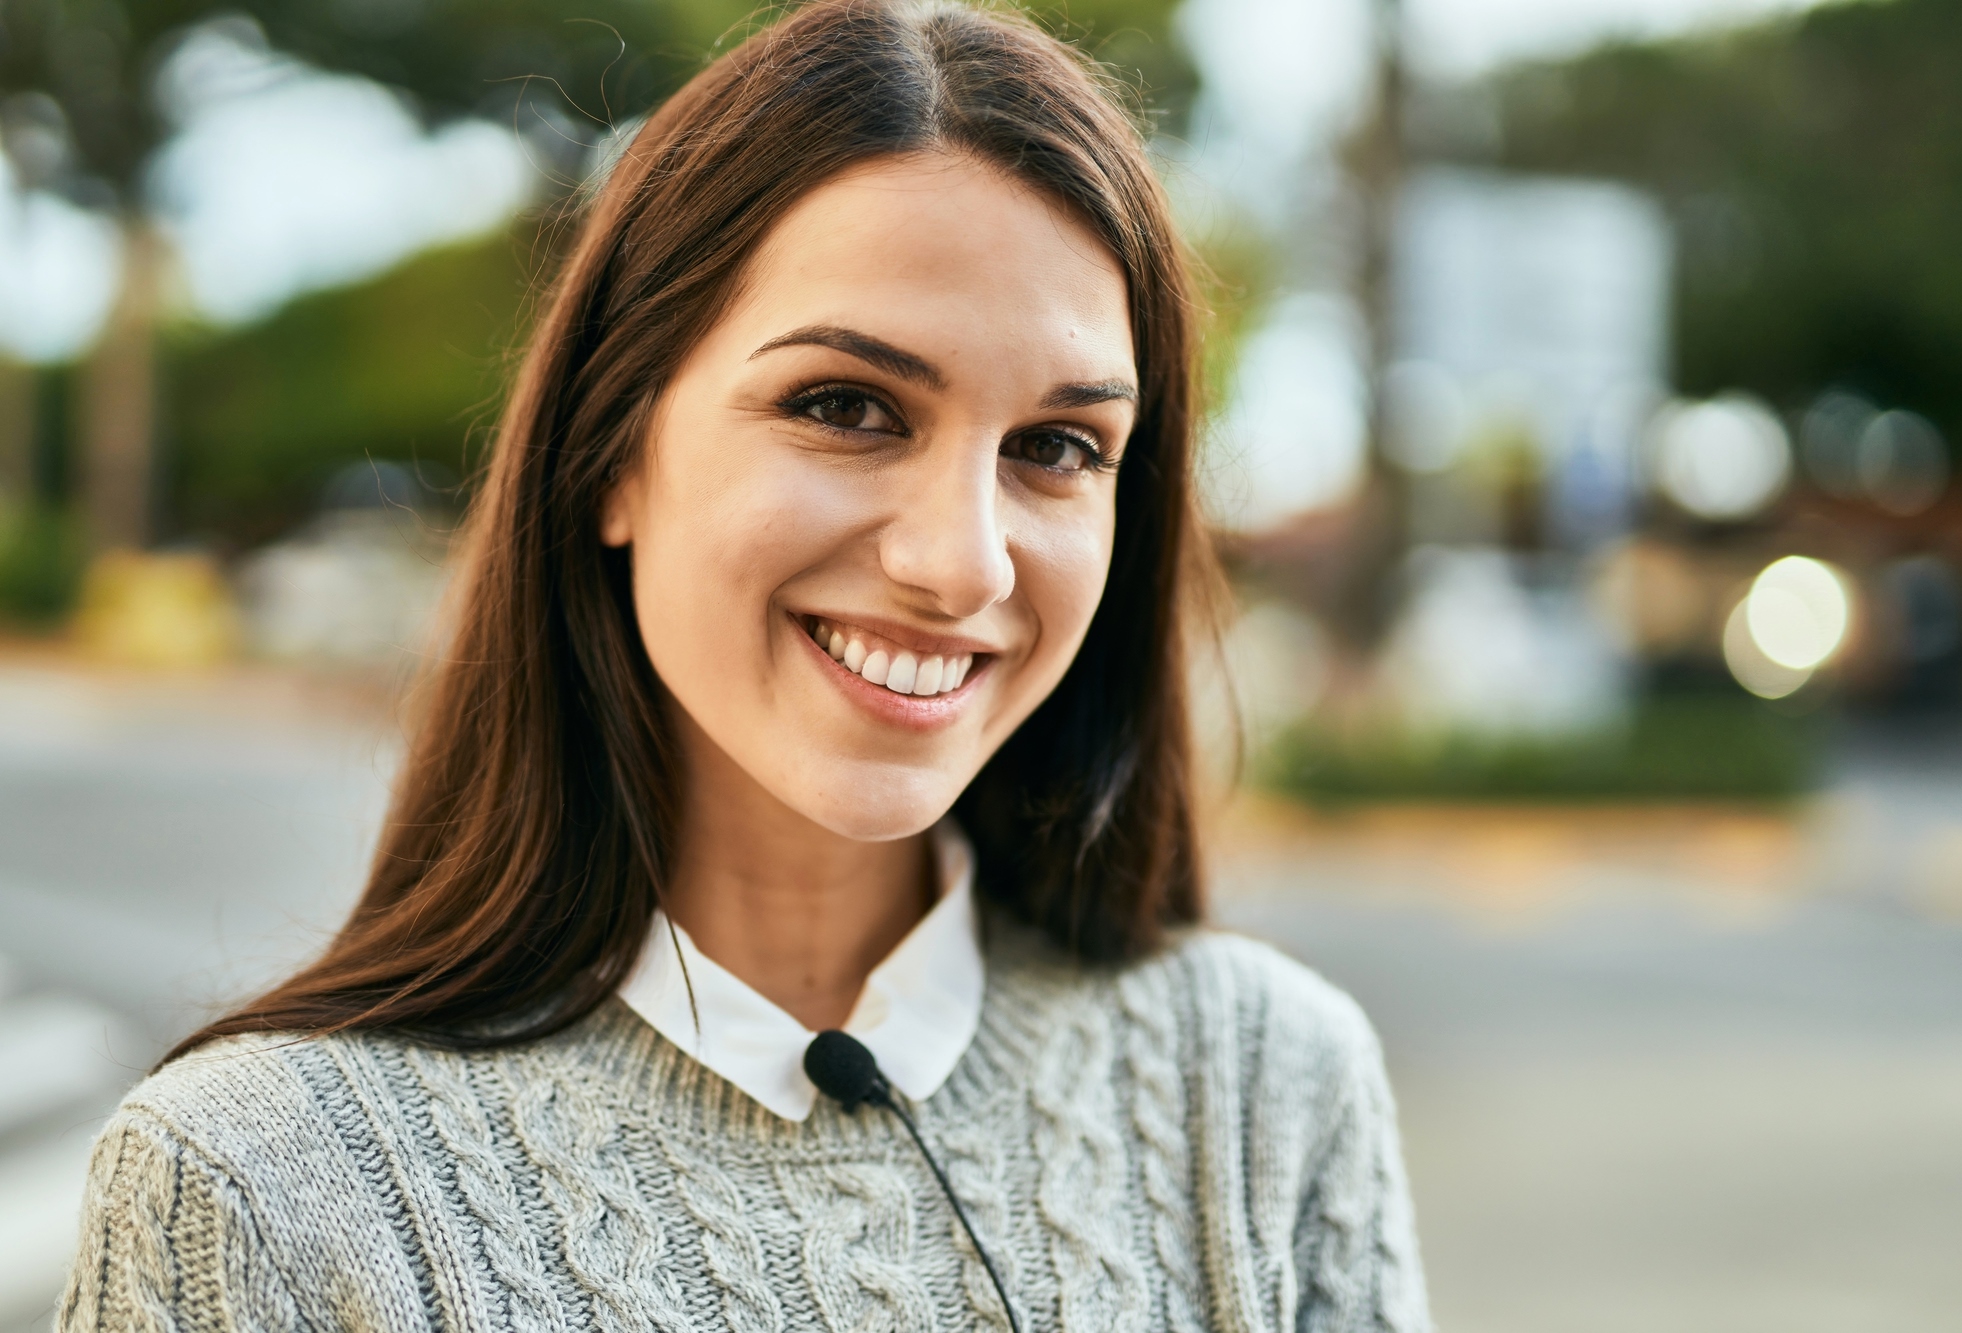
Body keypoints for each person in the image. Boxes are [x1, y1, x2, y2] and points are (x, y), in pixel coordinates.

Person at [60, 3, 1430, 1329]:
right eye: (846, 407)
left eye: (1057, 448)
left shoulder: (1265, 1084)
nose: (964, 565)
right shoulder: (256, 1191)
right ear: (612, 453)